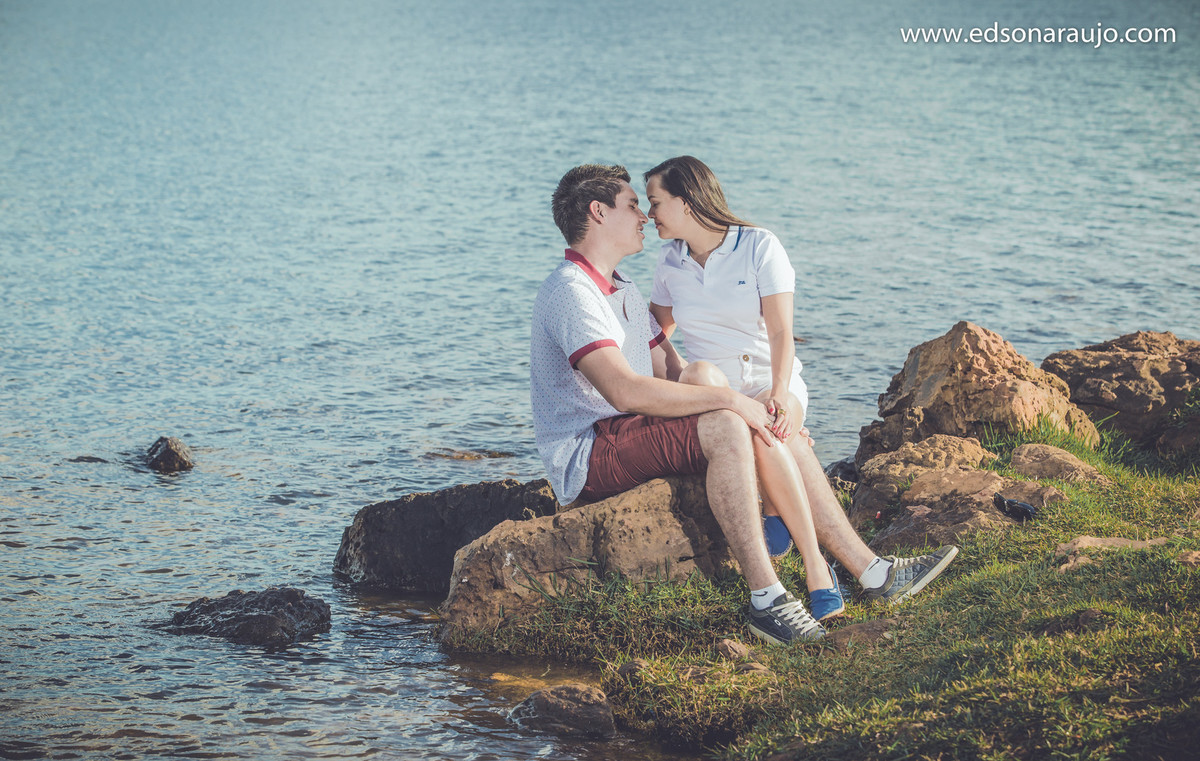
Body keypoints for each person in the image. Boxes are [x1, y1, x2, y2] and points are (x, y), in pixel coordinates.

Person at [530, 164, 953, 647]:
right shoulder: (571, 290)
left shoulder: (622, 287)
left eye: (647, 204)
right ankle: (768, 599)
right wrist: (733, 403)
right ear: (598, 212)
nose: (644, 216)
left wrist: (753, 407)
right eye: (632, 205)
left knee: (754, 420)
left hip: (627, 432)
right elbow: (623, 392)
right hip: (588, 453)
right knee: (728, 423)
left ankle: (873, 573)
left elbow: (671, 371)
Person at [643, 155, 957, 622]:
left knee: (771, 428)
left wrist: (780, 392)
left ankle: (816, 550)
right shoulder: (670, 263)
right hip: (720, 395)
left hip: (776, 380)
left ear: (686, 202)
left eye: (655, 202)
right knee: (764, 433)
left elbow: (781, 335)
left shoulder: (759, 247)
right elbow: (654, 332)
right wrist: (678, 382)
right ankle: (851, 573)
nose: (650, 215)